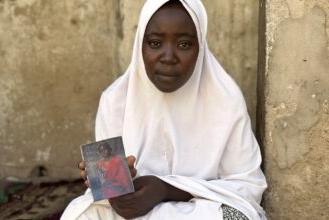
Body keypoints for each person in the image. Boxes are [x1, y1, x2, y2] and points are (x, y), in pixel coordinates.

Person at [62, 0, 267, 219]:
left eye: (184, 45)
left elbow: (248, 187)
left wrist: (166, 190)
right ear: (140, 44)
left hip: (200, 210)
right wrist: (118, 189)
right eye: (155, 43)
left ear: (200, 47)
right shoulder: (114, 101)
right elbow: (113, 194)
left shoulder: (226, 100)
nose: (168, 58)